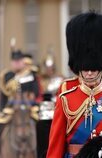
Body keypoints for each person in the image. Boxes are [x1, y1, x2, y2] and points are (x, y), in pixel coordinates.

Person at [46, 12, 102, 158]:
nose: (89, 73)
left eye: (93, 69)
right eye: (86, 69)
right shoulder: (67, 92)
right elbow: (56, 143)